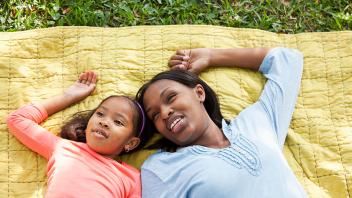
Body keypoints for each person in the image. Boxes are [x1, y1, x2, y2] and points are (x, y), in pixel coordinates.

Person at [136, 47, 307, 197]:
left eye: (171, 97)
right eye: (155, 115)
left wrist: (211, 56)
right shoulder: (162, 168)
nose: (165, 112)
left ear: (199, 93)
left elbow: (287, 60)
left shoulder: (256, 122)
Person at [7, 71, 150, 198]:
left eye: (118, 122)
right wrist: (69, 96)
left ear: (130, 143)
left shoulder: (132, 176)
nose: (104, 122)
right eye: (100, 114)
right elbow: (17, 119)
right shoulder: (64, 147)